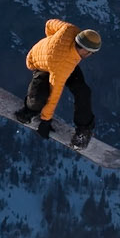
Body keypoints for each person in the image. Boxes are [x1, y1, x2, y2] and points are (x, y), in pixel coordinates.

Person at [14, 20, 101, 148]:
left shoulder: (70, 29)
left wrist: (52, 41)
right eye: (92, 53)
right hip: (42, 65)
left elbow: (49, 24)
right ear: (85, 50)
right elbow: (55, 93)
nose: (91, 56)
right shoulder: (62, 65)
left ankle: (84, 130)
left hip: (62, 60)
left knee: (83, 91)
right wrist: (45, 121)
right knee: (40, 98)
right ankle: (29, 110)